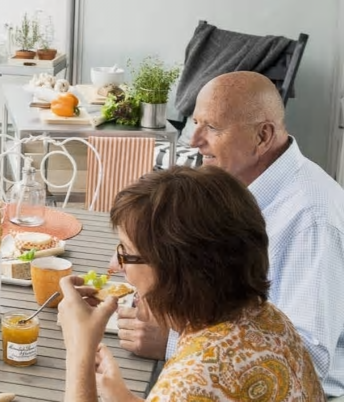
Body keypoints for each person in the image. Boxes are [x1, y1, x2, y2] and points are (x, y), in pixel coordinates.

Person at [116, 71, 344, 398]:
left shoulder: (312, 218)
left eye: (212, 127)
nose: (193, 140)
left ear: (263, 136)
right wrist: (142, 248)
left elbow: (307, 359)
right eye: (195, 123)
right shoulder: (238, 188)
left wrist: (172, 341)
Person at [60, 166, 324, 401]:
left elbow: (197, 388)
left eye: (126, 253)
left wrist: (79, 352)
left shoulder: (195, 379)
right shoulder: (266, 318)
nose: (119, 267)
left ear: (174, 271)